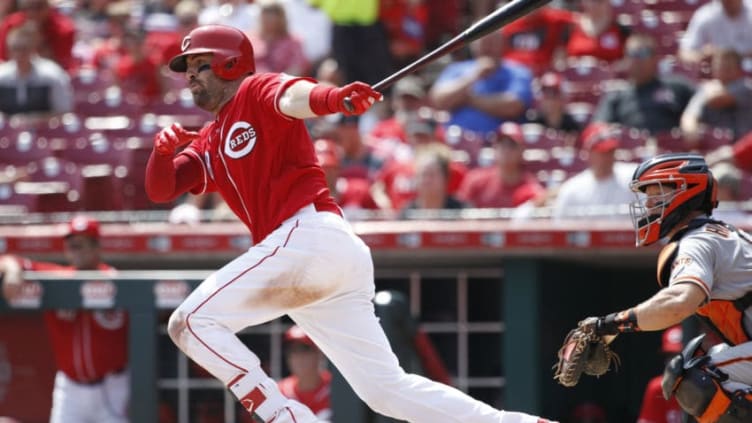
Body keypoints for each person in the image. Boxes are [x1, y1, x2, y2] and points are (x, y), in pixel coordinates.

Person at [145, 24, 556, 423]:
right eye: (188, 69)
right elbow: (161, 190)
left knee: (191, 322)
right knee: (386, 391)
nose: (191, 77)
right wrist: (160, 155)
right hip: (320, 256)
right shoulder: (211, 138)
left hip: (307, 236)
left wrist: (334, 98)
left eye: (200, 65)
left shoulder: (255, 90)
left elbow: (293, 95)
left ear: (231, 64)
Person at [569, 152, 752, 422]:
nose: (650, 205)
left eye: (657, 194)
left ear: (687, 192)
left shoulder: (697, 240)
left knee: (694, 379)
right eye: (648, 197)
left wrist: (610, 324)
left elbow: (680, 301)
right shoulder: (725, 233)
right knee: (711, 361)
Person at [0, 215, 129, 423]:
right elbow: (9, 259)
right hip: (71, 388)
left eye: (81, 244)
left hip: (111, 385)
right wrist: (13, 271)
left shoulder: (116, 281)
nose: (75, 250)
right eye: (71, 245)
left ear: (96, 247)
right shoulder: (58, 277)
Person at [428, 30, 533, 135]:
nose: (487, 47)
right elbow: (439, 100)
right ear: (473, 45)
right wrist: (474, 76)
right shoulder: (456, 69)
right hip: (455, 140)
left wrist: (469, 99)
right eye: (483, 42)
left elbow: (513, 106)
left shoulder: (517, 72)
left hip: (497, 144)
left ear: (503, 44)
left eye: (492, 42)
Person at [591, 34, 695, 135]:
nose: (638, 61)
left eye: (644, 54)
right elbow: (598, 129)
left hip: (671, 149)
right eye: (632, 54)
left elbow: (703, 99)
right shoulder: (617, 96)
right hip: (630, 150)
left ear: (655, 58)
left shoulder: (676, 87)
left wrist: (690, 118)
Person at [550, 122, 636, 219]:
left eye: (610, 151)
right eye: (601, 152)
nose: (607, 157)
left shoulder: (633, 178)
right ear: (588, 153)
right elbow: (560, 228)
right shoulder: (572, 190)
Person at [455, 121, 545, 209]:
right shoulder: (476, 180)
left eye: (511, 145)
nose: (506, 150)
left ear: (521, 151)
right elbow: (461, 213)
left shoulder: (530, 186)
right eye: (501, 144)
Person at [0, 23, 73, 121]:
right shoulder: (2, 76)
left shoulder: (51, 74)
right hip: (8, 132)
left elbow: (64, 112)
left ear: (33, 49)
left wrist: (34, 120)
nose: (19, 54)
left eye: (24, 49)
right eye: (15, 49)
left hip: (46, 131)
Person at [680, 48, 752, 143]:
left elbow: (717, 100)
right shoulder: (707, 88)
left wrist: (708, 90)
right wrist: (691, 131)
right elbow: (689, 115)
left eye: (727, 67)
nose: (721, 70)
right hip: (713, 145)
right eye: (718, 65)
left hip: (739, 145)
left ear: (738, 69)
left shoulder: (745, 87)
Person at [0, 0, 76, 71]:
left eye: (39, 7)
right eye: (29, 8)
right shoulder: (10, 25)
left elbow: (62, 64)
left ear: (48, 7)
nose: (33, 12)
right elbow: (3, 59)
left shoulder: (63, 29)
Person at [278, 325, 332, 422]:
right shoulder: (279, 391)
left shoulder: (335, 388)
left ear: (319, 353)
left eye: (304, 349)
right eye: (292, 351)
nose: (298, 357)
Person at [678, 0, 752, 65]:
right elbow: (684, 53)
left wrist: (740, 57)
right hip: (715, 75)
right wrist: (702, 55)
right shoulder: (705, 15)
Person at [636, 325, 683, 423]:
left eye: (679, 355)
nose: (674, 361)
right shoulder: (658, 387)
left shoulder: (710, 384)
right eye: (670, 356)